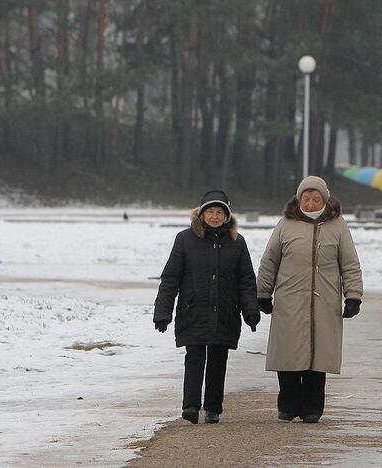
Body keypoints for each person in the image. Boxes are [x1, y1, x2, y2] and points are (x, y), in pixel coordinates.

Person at [257, 176, 363, 424]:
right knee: (288, 353)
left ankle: (312, 407)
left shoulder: (338, 225)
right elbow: (269, 261)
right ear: (299, 199)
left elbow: (350, 263)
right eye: (306, 198)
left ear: (325, 200)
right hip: (289, 299)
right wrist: (263, 292)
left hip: (324, 301)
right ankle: (287, 405)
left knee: (318, 356)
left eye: (316, 199)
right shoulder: (285, 224)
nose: (311, 203)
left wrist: (353, 296)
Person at [153, 190, 260, 424]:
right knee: (194, 358)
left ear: (227, 215)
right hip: (194, 310)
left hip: (225, 311)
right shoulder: (185, 239)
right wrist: (162, 312)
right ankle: (190, 406)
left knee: (217, 360)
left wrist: (250, 310)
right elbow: (170, 278)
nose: (214, 216)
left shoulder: (237, 242)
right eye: (210, 211)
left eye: (219, 212)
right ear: (201, 214)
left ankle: (213, 408)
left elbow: (246, 280)